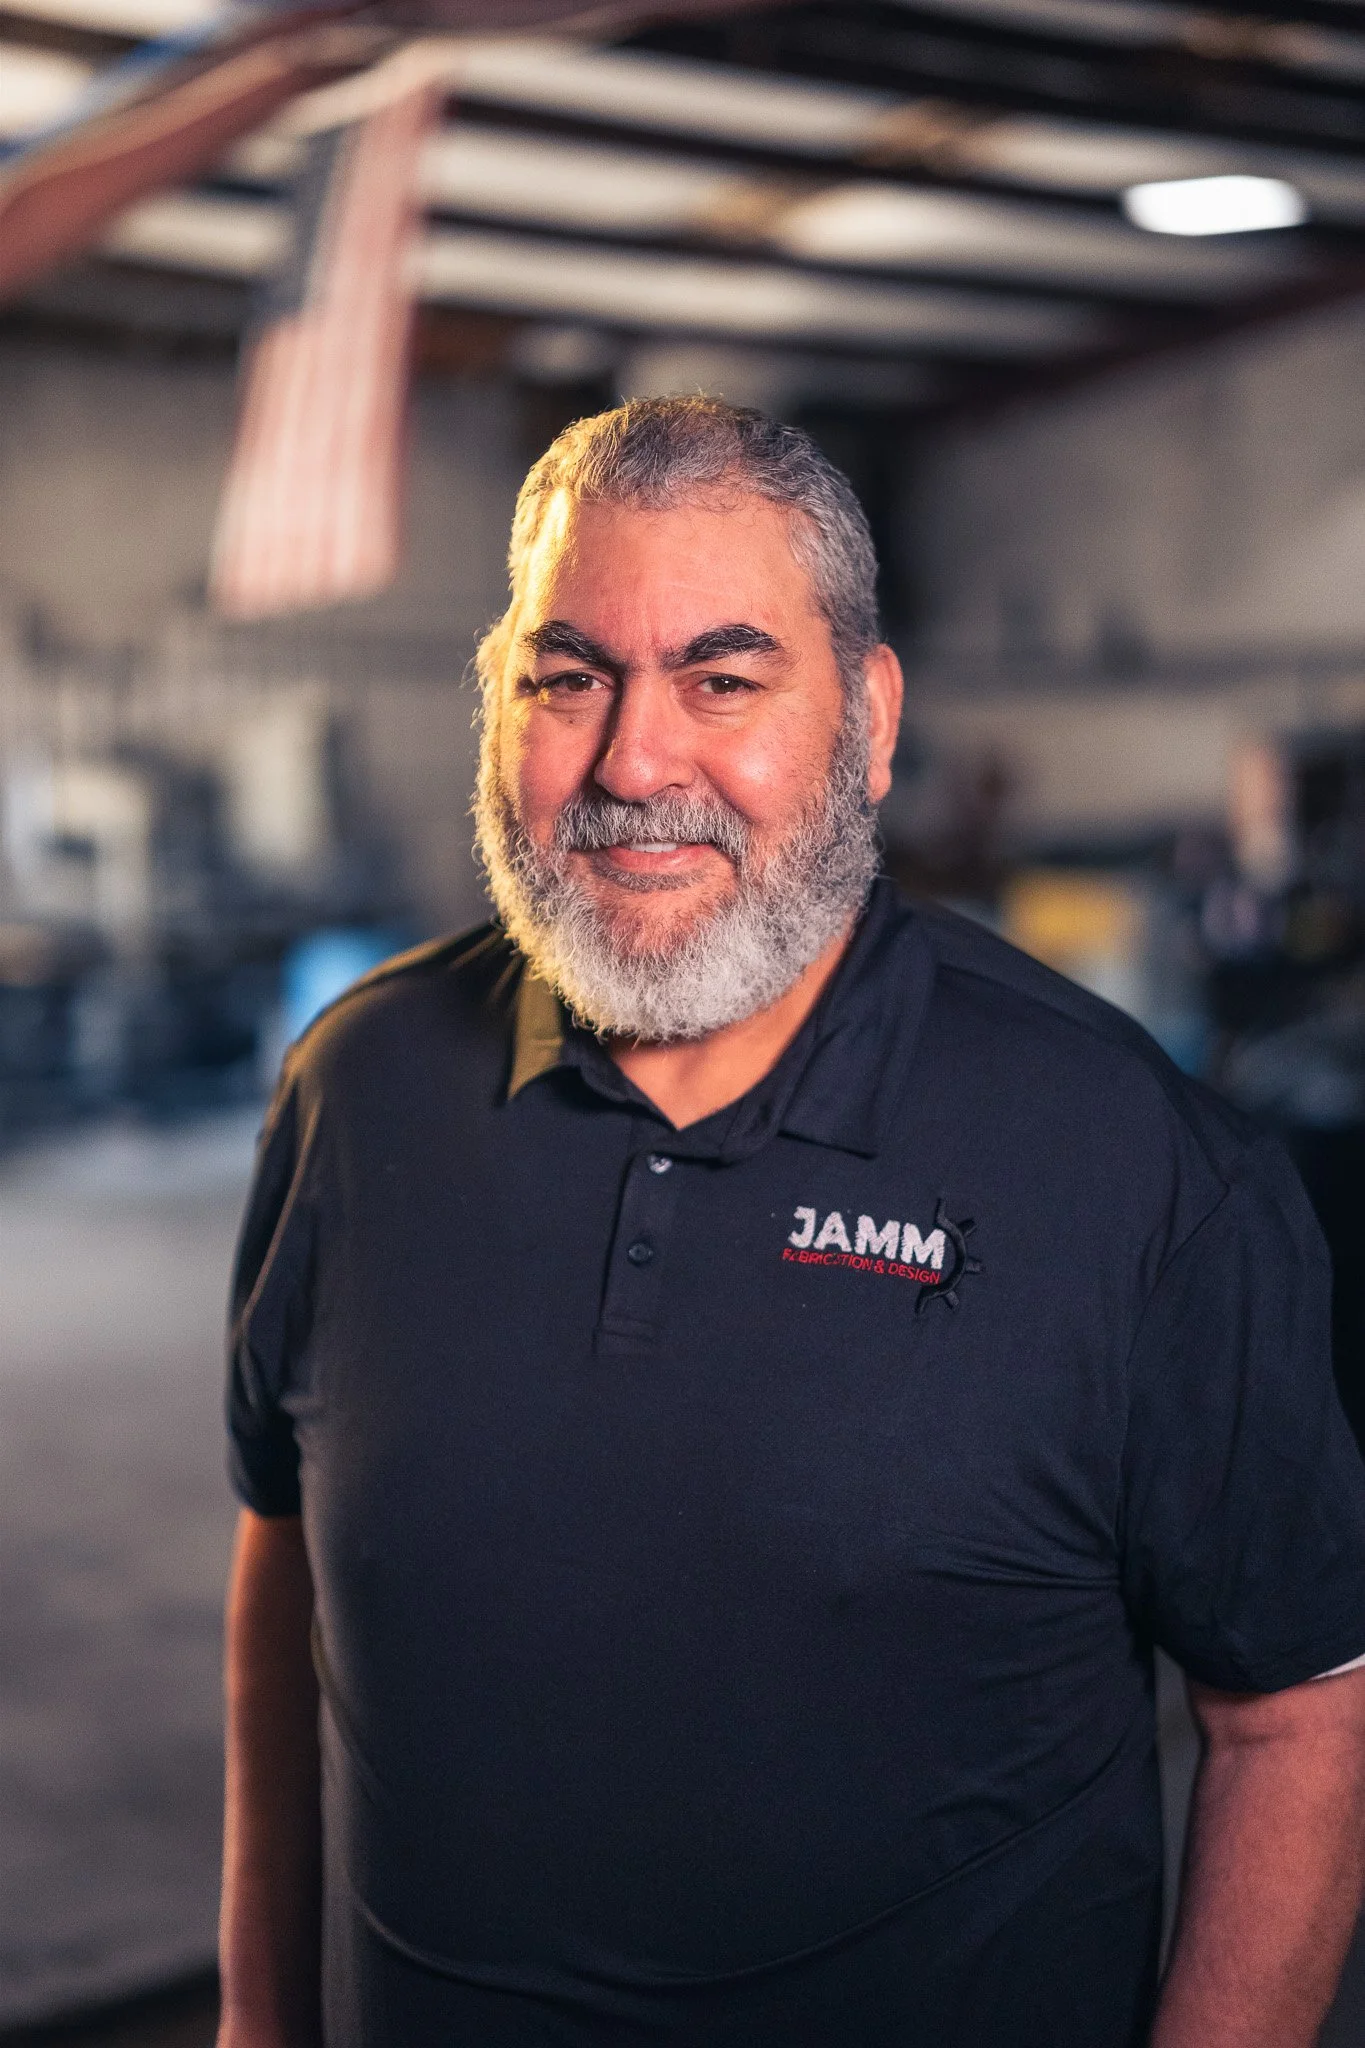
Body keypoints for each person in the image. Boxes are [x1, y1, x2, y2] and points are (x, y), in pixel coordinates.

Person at [218, 399, 1365, 2048]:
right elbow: (284, 1561)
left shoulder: (1140, 1169)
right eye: (568, 677)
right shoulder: (354, 1089)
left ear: (871, 721)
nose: (634, 761)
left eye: (724, 678)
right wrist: (259, 2022)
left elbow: (1298, 1713)